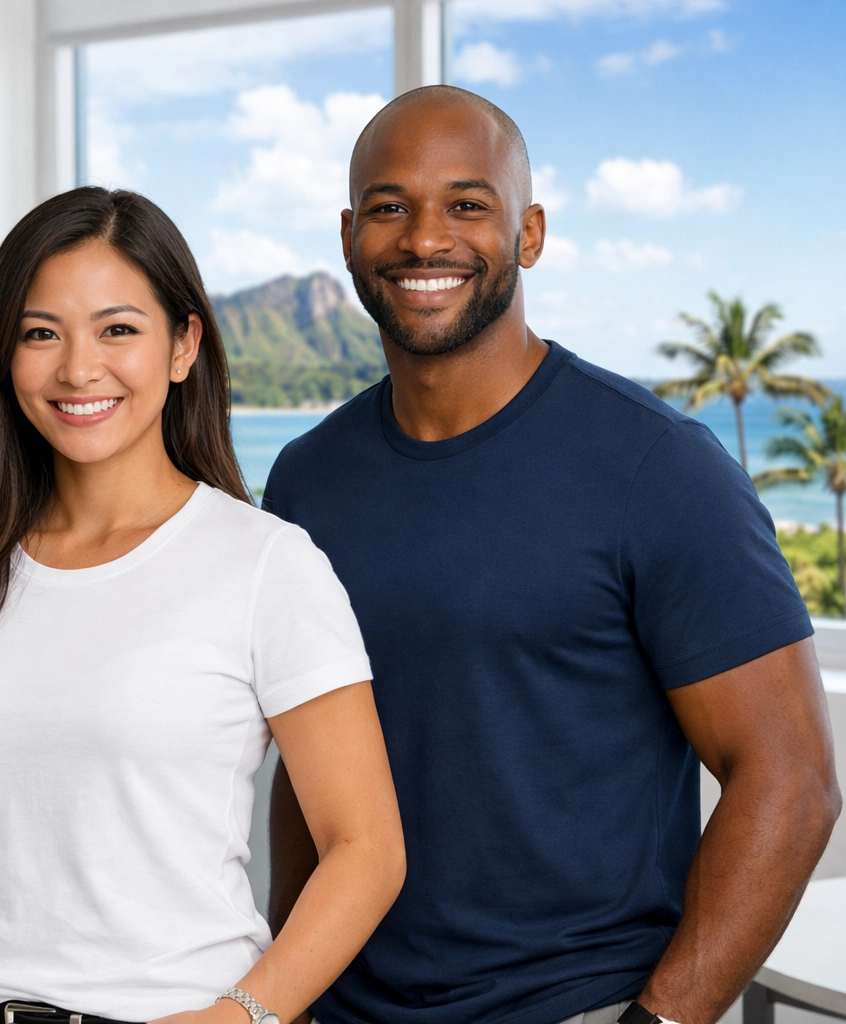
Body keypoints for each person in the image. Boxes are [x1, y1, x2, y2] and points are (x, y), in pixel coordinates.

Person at [263, 85, 841, 1024]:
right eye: (389, 206)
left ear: (528, 233)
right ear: (347, 235)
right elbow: (307, 769)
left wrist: (661, 1020)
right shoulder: (305, 481)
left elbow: (793, 780)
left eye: (466, 204)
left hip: (579, 1004)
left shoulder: (658, 468)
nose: (423, 239)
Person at [0, 187, 406, 1024]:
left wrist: (240, 1017)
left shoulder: (265, 565)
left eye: (118, 329)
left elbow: (367, 851)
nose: (78, 369)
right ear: (5, 353)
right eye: (42, 333)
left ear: (184, 345)